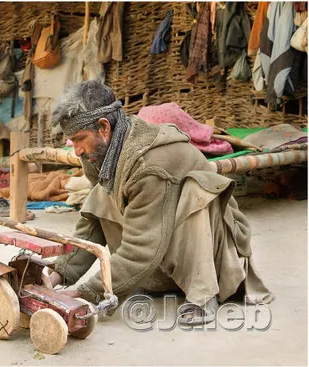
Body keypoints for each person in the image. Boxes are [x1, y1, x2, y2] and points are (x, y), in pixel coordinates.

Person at [47, 80, 274, 325]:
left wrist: (84, 293)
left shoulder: (149, 164)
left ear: (103, 127)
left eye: (79, 139)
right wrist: (56, 276)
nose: (77, 150)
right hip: (164, 240)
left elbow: (142, 247)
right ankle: (154, 281)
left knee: (196, 193)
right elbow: (92, 224)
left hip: (217, 254)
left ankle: (203, 294)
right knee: (101, 195)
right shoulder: (102, 151)